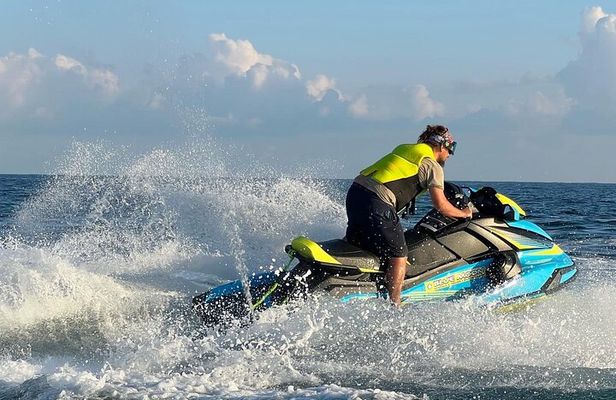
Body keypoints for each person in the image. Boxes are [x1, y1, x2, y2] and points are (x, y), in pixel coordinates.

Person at [345, 125, 472, 306]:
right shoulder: (432, 165)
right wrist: (464, 213)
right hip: (377, 201)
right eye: (452, 148)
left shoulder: (405, 148)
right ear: (441, 145)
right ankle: (394, 305)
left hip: (355, 194)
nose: (451, 154)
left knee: (360, 243)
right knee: (399, 254)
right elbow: (441, 206)